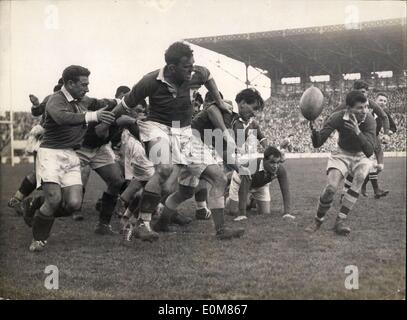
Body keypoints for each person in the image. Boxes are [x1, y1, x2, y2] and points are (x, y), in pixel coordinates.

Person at [95, 41, 242, 240]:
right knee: (164, 168)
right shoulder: (150, 81)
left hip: (185, 132)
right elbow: (125, 104)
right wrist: (105, 124)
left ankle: (221, 230)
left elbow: (208, 76)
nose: (192, 71)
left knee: (219, 178)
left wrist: (219, 100)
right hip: (157, 127)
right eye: (187, 67)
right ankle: (143, 225)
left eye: (193, 65)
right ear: (172, 68)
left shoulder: (196, 73)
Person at [26, 65, 116, 252]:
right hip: (50, 154)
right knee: (54, 199)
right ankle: (39, 240)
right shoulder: (55, 100)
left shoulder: (84, 99)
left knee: (74, 204)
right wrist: (93, 116)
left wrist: (124, 102)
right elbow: (63, 118)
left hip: (72, 154)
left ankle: (34, 204)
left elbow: (104, 102)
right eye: (84, 84)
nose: (87, 89)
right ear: (69, 83)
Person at [305, 90, 376, 236]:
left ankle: (340, 221)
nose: (364, 111)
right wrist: (313, 130)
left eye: (366, 106)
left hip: (362, 155)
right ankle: (318, 220)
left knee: (361, 176)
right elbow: (318, 143)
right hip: (342, 154)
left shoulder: (369, 120)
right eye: (360, 107)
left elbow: (369, 151)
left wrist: (357, 131)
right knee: (331, 188)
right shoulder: (337, 117)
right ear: (348, 108)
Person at [7, 80, 63, 215]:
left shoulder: (74, 101)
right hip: (47, 141)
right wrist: (37, 105)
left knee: (46, 174)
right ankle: (23, 201)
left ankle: (22, 200)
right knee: (41, 174)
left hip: (58, 143)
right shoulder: (53, 98)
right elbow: (38, 111)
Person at [341, 81, 391, 199]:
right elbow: (335, 115)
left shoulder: (371, 104)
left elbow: (384, 116)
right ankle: (348, 192)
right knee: (358, 166)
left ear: (367, 93)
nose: (362, 95)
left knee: (373, 164)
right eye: (359, 92)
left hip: (368, 138)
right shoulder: (348, 104)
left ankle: (368, 189)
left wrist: (387, 133)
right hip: (353, 137)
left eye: (364, 92)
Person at [227, 146, 292, 221]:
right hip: (240, 182)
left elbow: (285, 191)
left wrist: (287, 213)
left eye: (277, 162)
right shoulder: (252, 167)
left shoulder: (280, 170)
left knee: (265, 213)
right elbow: (243, 190)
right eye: (272, 162)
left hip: (260, 185)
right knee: (233, 211)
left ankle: (251, 201)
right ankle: (228, 198)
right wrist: (242, 214)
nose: (275, 166)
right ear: (264, 160)